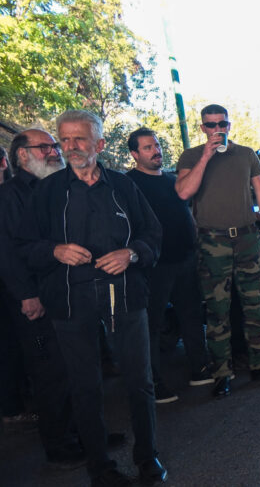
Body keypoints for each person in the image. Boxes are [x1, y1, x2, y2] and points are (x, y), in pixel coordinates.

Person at [15, 110, 168, 486]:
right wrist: (55, 251)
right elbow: (24, 246)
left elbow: (153, 233)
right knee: (85, 386)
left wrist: (131, 254)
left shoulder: (122, 186)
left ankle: (148, 457)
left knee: (139, 381)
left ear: (99, 144)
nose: (69, 147)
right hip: (70, 302)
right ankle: (99, 467)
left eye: (79, 139)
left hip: (125, 295)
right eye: (64, 140)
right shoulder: (47, 192)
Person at [175, 104, 260, 398]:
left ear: (229, 124)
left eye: (222, 124)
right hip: (212, 241)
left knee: (256, 304)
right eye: (211, 125)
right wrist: (206, 155)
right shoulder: (191, 156)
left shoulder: (246, 154)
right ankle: (221, 372)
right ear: (202, 128)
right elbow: (183, 192)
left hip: (248, 237)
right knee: (217, 310)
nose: (218, 129)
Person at [0, 130, 80, 469]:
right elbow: (9, 254)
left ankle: (86, 433)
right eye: (44, 147)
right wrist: (28, 295)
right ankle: (59, 446)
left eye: (54, 146)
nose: (54, 152)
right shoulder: (9, 197)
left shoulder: (58, 187)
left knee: (75, 368)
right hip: (35, 299)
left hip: (66, 292)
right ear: (21, 156)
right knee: (50, 373)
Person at [125, 129, 212, 405]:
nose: (156, 151)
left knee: (192, 317)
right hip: (154, 266)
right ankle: (153, 383)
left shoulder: (172, 181)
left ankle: (200, 368)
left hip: (185, 259)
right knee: (152, 325)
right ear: (135, 154)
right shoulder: (129, 184)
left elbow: (185, 213)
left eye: (157, 145)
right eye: (148, 147)